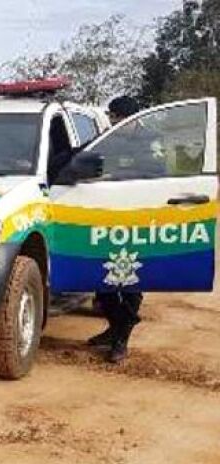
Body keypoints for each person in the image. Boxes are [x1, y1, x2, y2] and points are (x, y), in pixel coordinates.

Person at [87, 95, 144, 364]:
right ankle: (115, 329)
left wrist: (119, 177)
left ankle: (121, 339)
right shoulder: (110, 139)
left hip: (138, 217)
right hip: (108, 215)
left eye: (116, 117)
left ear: (129, 118)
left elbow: (156, 172)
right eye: (111, 117)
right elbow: (85, 156)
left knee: (130, 279)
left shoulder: (150, 142)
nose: (112, 122)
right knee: (103, 280)